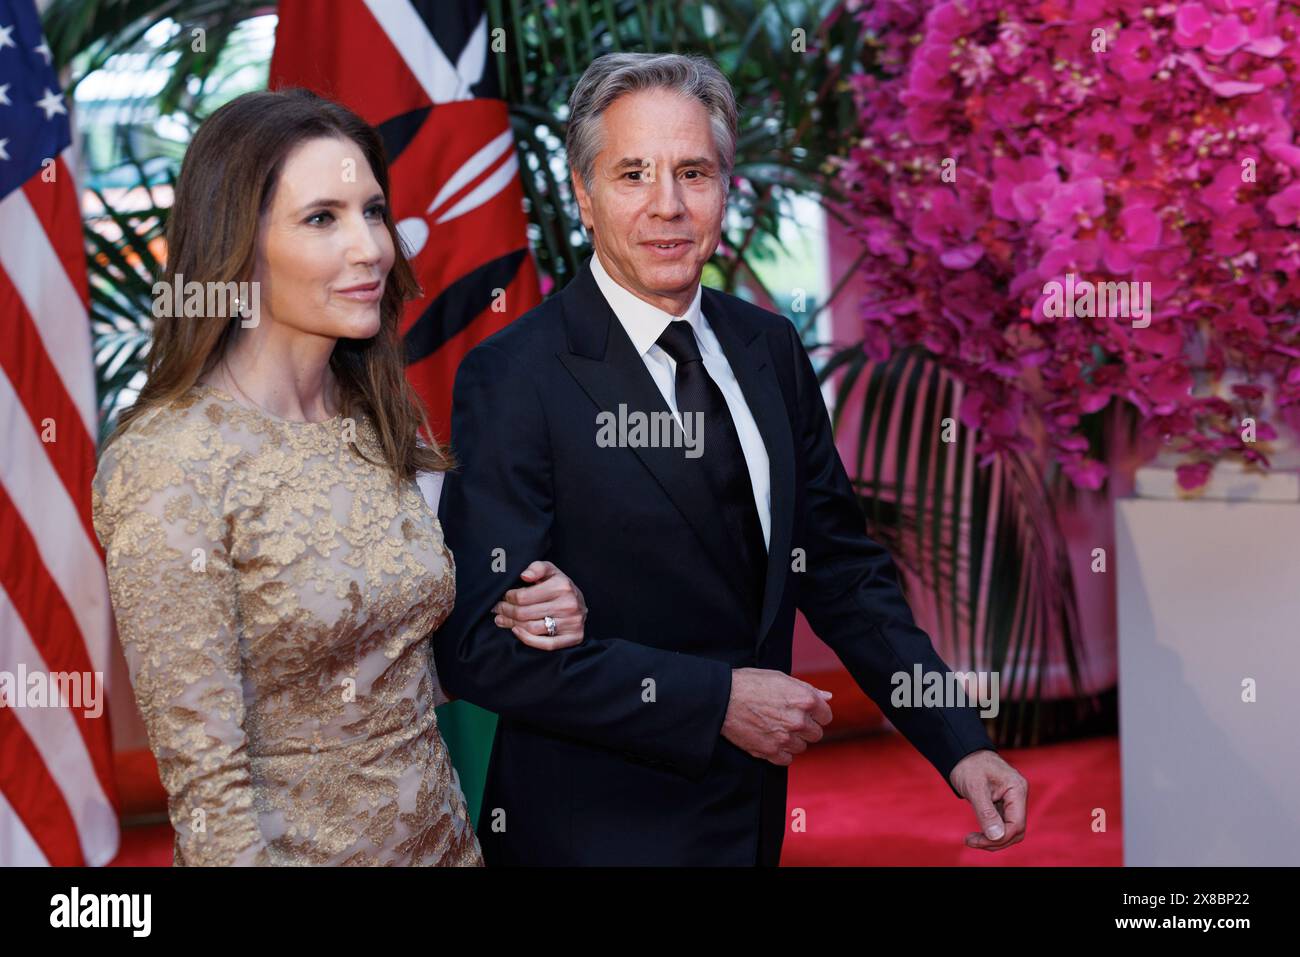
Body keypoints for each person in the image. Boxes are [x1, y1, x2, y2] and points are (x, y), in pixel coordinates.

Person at [435, 52, 1029, 866]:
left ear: (725, 187)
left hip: (747, 820)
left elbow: (842, 570)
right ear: (583, 193)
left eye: (694, 172)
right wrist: (714, 700)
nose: (668, 206)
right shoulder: (514, 376)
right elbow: (478, 647)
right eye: (633, 174)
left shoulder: (767, 346)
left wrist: (959, 741)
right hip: (591, 832)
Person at [91, 88, 586, 866]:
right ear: (238, 245)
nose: (372, 247)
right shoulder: (168, 464)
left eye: (374, 211)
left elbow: (400, 666)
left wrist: (525, 614)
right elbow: (205, 790)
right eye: (323, 217)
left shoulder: (380, 417)